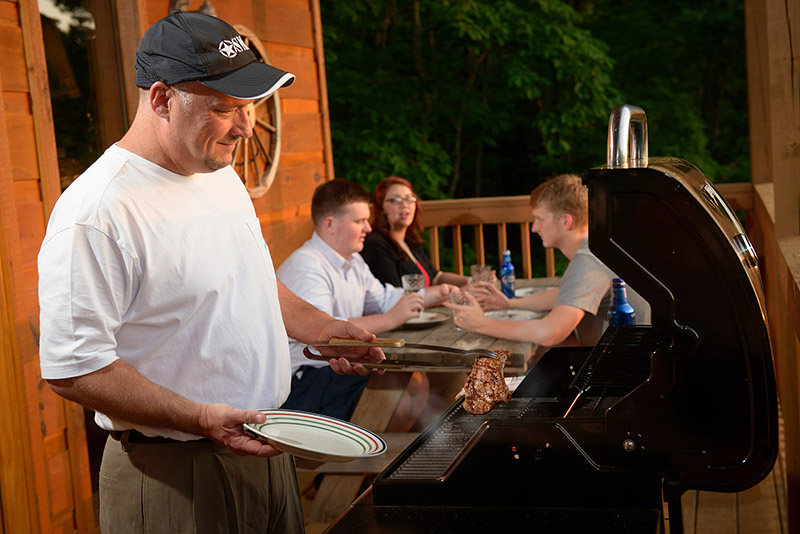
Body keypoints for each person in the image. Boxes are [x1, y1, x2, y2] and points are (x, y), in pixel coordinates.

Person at [37, 12, 383, 533]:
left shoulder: (218, 173)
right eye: (224, 109)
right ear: (161, 99)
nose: (245, 128)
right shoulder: (97, 212)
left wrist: (322, 328)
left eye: (248, 107)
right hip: (174, 474)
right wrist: (198, 418)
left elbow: (253, 283)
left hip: (267, 449)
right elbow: (73, 368)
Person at [277, 179, 454, 420]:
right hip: (304, 380)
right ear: (330, 224)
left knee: (439, 379)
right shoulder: (306, 266)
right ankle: (373, 454)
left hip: (337, 369)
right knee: (411, 387)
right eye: (359, 221)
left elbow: (383, 299)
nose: (368, 228)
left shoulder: (354, 260)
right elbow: (326, 334)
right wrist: (392, 318)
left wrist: (440, 293)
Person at [444, 174, 650, 347]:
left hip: (627, 375)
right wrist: (509, 303)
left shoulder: (589, 261)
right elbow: (568, 294)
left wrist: (482, 324)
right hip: (632, 356)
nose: (534, 228)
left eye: (539, 219)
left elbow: (550, 333)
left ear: (565, 221)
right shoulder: (597, 245)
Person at [361, 176, 471, 288]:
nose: (404, 204)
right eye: (396, 200)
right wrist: (455, 292)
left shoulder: (409, 241)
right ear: (381, 207)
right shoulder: (375, 244)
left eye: (409, 199)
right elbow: (395, 295)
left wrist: (472, 282)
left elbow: (437, 277)